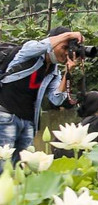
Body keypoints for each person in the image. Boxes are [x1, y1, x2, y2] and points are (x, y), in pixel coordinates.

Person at [0, 27, 83, 162]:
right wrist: (69, 35)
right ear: (54, 43)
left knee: (25, 167)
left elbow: (56, 99)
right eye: (64, 47)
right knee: (3, 165)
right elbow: (44, 44)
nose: (67, 53)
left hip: (27, 121)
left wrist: (68, 71)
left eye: (70, 49)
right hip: (5, 116)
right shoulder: (29, 51)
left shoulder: (53, 72)